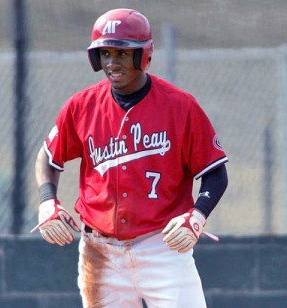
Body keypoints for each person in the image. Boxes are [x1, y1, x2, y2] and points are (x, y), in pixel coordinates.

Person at [32, 8, 228, 308]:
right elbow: (48, 156)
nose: (112, 62)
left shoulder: (180, 106)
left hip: (162, 247)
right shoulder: (82, 105)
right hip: (100, 251)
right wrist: (47, 200)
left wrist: (197, 216)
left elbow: (215, 172)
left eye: (122, 53)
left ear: (143, 55)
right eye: (106, 53)